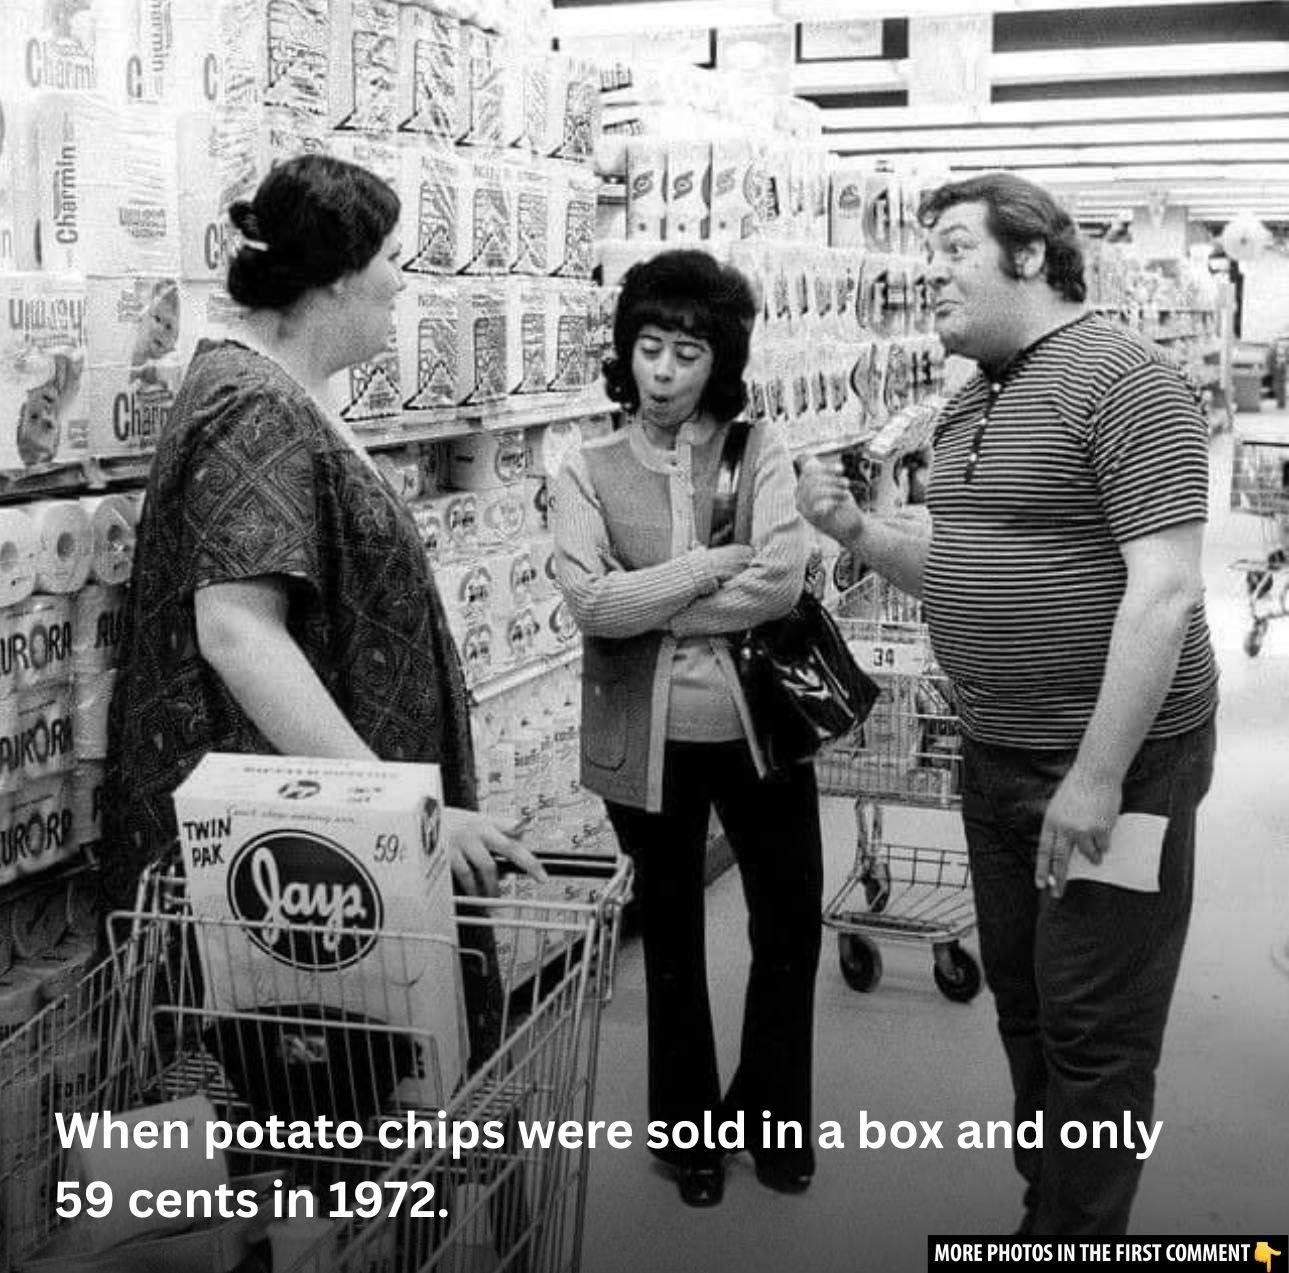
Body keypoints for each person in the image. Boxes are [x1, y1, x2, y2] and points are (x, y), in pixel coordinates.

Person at [798, 172, 1219, 1236]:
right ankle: (1055, 1206)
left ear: (1029, 255)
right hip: (992, 757)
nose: (927, 274)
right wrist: (855, 533)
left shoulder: (1127, 381)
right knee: (1026, 1003)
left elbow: (1164, 592)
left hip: (1113, 766)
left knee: (1093, 1028)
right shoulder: (968, 402)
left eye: (952, 249)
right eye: (926, 253)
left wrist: (1096, 775)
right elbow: (958, 570)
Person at [104, 155, 545, 1054]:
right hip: (292, 860)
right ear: (338, 274)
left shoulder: (276, 391)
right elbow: (236, 630)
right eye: (389, 256)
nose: (399, 281)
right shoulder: (253, 408)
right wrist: (393, 807)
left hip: (306, 849)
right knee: (310, 1101)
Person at [551, 249, 822, 1208]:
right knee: (669, 939)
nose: (663, 371)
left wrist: (649, 602)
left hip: (761, 734)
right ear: (625, 350)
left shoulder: (760, 449)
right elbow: (591, 603)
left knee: (788, 925)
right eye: (649, 346)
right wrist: (707, 569)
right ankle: (689, 1140)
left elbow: (778, 581)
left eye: (688, 352)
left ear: (721, 360)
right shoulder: (582, 467)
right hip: (646, 743)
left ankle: (773, 1121)